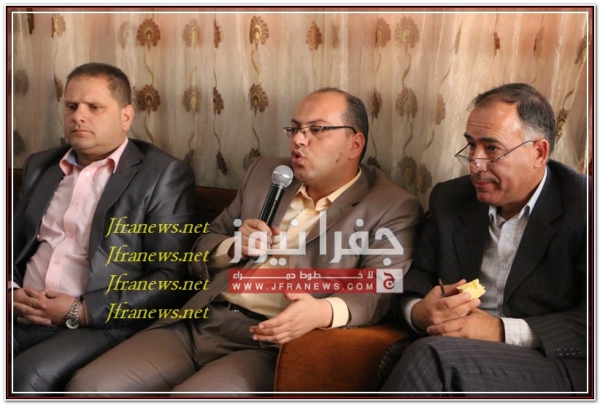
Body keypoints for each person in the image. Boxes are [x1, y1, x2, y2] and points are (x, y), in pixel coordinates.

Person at [66, 87, 423, 394]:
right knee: (89, 387)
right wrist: (233, 247)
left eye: (317, 130)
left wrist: (323, 311)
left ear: (355, 143)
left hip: (269, 343)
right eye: (295, 129)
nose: (299, 140)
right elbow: (204, 243)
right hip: (202, 320)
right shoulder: (267, 173)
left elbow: (380, 287)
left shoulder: (390, 205)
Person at [381, 83, 588, 394]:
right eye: (471, 145)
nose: (475, 163)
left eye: (492, 149)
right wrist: (418, 311)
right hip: (458, 351)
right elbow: (417, 278)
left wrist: (500, 330)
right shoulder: (451, 198)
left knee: (433, 358)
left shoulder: (586, 205)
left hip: (556, 363)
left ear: (539, 152)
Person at [11, 62, 201, 393]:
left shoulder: (163, 175)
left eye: (94, 107)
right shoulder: (41, 165)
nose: (78, 116)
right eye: (71, 106)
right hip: (20, 312)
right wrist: (10, 291)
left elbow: (172, 277)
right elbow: (11, 243)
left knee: (21, 378)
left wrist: (82, 311)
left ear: (126, 116)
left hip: (99, 324)